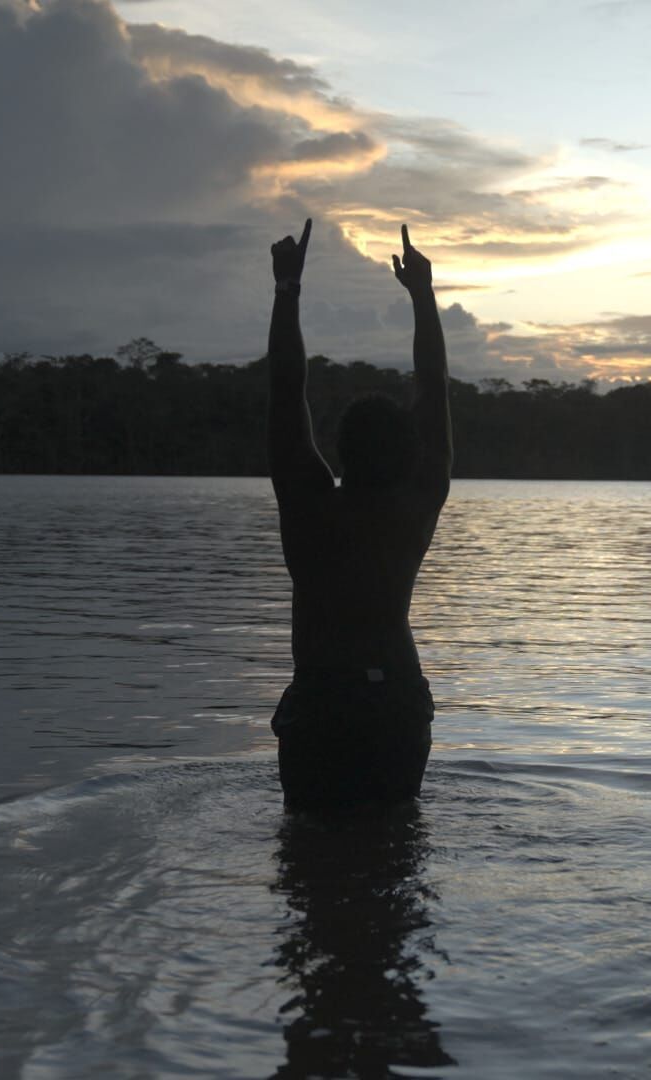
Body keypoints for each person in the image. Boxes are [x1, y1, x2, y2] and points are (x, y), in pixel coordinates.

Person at [265, 219, 452, 812]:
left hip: (323, 702)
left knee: (308, 864)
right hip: (394, 701)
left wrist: (287, 291)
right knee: (398, 854)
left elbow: (285, 389)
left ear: (337, 451)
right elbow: (434, 392)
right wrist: (422, 295)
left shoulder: (309, 505)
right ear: (412, 453)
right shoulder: (416, 505)